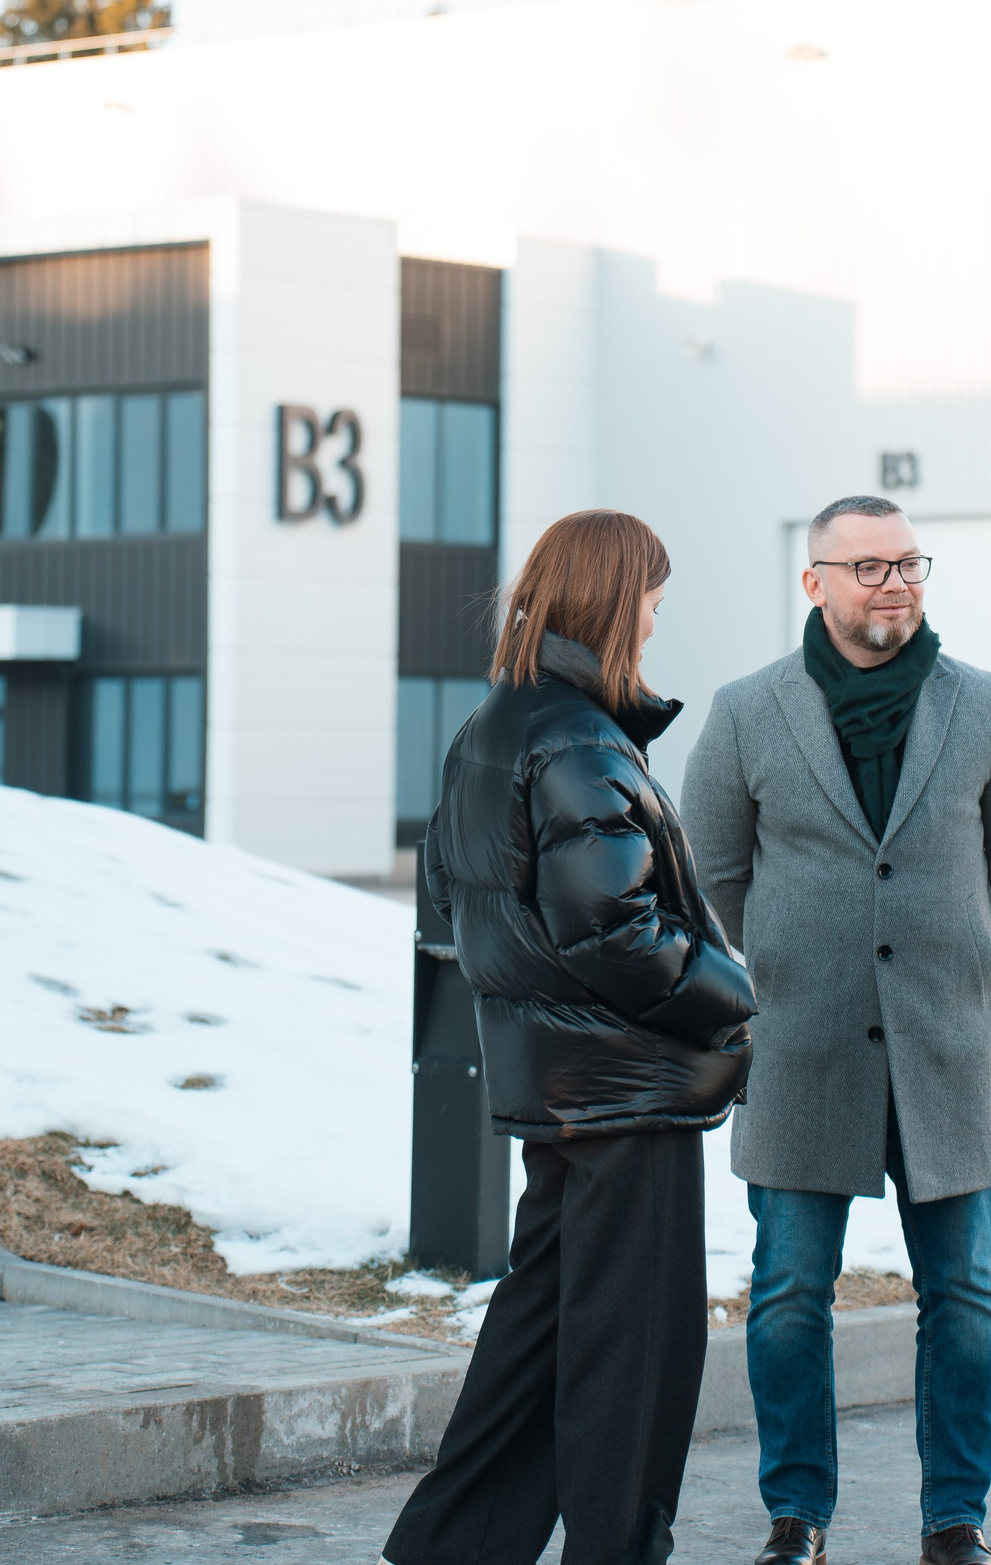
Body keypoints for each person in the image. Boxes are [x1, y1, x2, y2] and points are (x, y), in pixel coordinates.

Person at [380, 509, 757, 1565]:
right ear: (609, 599)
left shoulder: (492, 725)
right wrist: (736, 991)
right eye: (651, 597)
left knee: (538, 1340)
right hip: (623, 1087)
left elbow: (461, 899)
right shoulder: (575, 737)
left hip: (561, 1085)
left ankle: (448, 1547)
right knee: (631, 1358)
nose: (654, 618)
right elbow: (614, 932)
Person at [683, 494, 991, 1565]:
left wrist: (943, 935)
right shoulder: (748, 709)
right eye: (869, 567)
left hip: (946, 1045)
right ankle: (796, 1514)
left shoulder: (979, 702)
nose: (894, 584)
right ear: (816, 583)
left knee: (967, 1296)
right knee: (793, 1291)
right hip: (803, 1045)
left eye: (908, 564)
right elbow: (715, 869)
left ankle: (955, 1519)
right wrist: (795, 953)